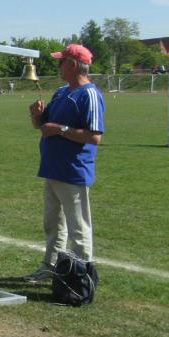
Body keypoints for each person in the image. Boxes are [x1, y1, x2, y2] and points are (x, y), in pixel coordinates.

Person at [25, 44, 104, 281]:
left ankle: (80, 277)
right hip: (52, 169)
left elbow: (94, 136)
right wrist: (37, 116)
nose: (58, 66)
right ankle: (50, 267)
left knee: (78, 227)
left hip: (73, 170)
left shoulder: (89, 94)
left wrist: (60, 129)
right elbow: (42, 126)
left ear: (73, 64)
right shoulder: (61, 92)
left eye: (61, 62)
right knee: (53, 225)